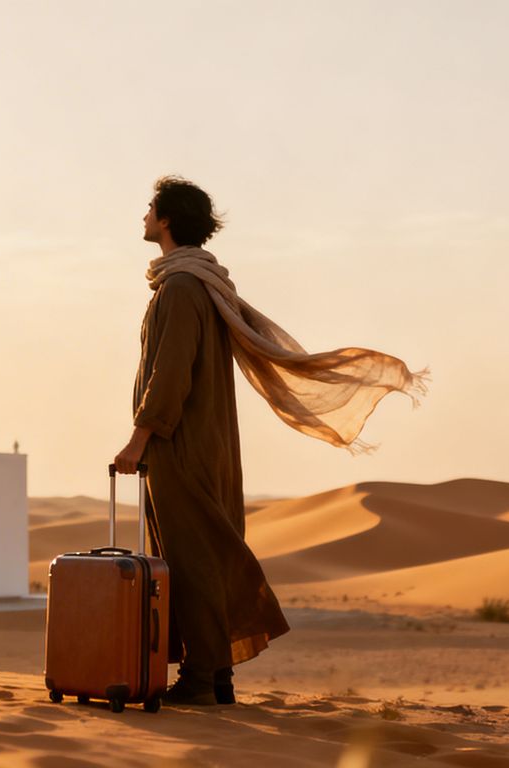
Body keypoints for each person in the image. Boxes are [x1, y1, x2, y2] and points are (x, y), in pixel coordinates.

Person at [114, 176, 427, 706]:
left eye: (150, 209)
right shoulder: (198, 283)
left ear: (167, 220)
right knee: (204, 554)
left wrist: (138, 438)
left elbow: (171, 374)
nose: (143, 216)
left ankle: (201, 677)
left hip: (180, 444)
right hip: (200, 442)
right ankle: (216, 678)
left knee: (193, 559)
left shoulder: (184, 287)